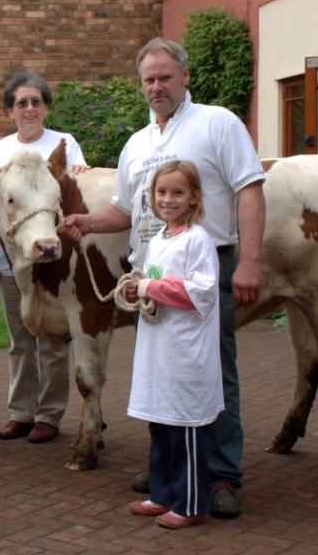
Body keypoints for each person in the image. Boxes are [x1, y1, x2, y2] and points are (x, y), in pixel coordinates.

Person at [60, 37, 265, 519]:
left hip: (203, 265)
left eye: (165, 77)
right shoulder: (138, 143)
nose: (157, 86)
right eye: (149, 79)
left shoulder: (218, 123)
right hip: (149, 274)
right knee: (162, 373)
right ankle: (171, 472)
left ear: (185, 77)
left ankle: (220, 476)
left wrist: (251, 260)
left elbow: (249, 190)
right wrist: (87, 222)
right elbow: (125, 211)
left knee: (213, 371)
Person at [0, 72, 88, 444]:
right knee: (20, 338)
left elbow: (76, 191)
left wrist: (78, 171)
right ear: (10, 110)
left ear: (46, 106)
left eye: (36, 102)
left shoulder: (64, 145)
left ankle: (49, 414)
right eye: (21, 103)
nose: (29, 109)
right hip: (12, 257)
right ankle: (20, 412)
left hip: (52, 260)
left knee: (53, 338)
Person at [124, 161, 222, 529]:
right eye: (161, 192)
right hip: (159, 350)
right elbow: (154, 283)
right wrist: (139, 289)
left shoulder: (197, 240)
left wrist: (149, 288)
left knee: (186, 428)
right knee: (162, 426)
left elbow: (202, 292)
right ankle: (162, 493)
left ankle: (193, 502)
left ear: (194, 196)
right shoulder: (158, 239)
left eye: (177, 192)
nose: (168, 200)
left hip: (186, 353)